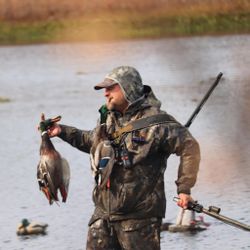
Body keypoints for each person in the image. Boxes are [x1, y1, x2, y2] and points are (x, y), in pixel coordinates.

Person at [44, 66, 200, 250]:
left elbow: (190, 148)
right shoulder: (108, 119)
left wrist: (184, 189)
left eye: (110, 88)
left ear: (128, 88)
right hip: (102, 216)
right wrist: (62, 131)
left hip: (139, 219)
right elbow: (91, 142)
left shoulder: (159, 123)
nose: (105, 93)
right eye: (104, 89)